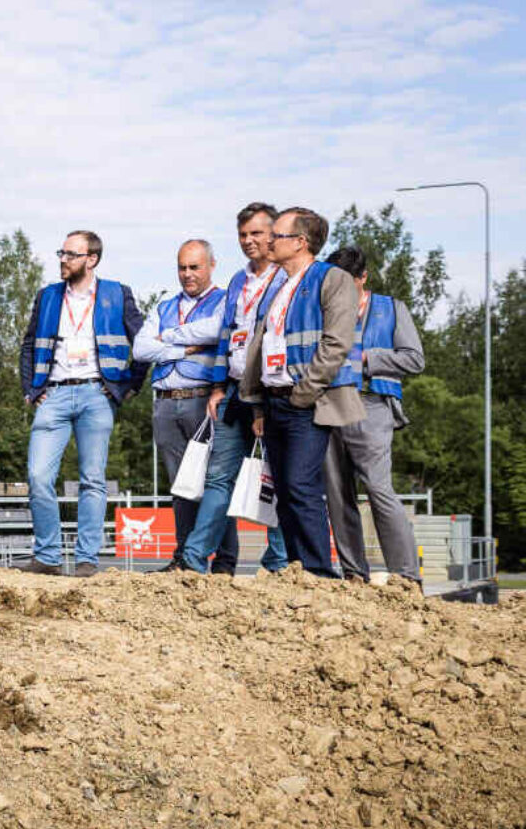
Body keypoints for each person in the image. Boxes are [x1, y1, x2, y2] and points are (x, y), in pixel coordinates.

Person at [238, 206, 363, 579]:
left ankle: (319, 574)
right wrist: (259, 401)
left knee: (300, 486)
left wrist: (304, 392)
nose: (268, 241)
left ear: (300, 242)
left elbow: (336, 342)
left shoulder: (332, 279)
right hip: (275, 400)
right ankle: (298, 571)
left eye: (276, 235)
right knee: (286, 492)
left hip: (304, 400)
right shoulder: (278, 284)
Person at [20, 231, 146, 577]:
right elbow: (29, 344)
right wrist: (31, 389)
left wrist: (129, 386)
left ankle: (87, 558)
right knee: (38, 475)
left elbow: (145, 342)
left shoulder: (116, 294)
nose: (63, 259)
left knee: (93, 479)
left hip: (97, 393)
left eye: (71, 254)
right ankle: (47, 555)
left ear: (91, 259)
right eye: (61, 252)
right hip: (54, 393)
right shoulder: (47, 296)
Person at [175, 202, 290, 575]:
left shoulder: (286, 277)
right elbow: (228, 333)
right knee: (217, 478)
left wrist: (260, 406)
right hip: (234, 392)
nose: (248, 240)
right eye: (243, 234)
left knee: (275, 478)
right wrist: (217, 387)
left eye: (256, 233)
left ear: (274, 234)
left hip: (270, 394)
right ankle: (193, 560)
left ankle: (278, 564)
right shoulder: (240, 280)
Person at [322, 245, 425, 584]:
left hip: (372, 404)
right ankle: (353, 573)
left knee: (379, 489)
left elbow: (414, 359)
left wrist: (368, 358)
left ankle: (406, 577)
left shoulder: (391, 309)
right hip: (327, 405)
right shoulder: (321, 311)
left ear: (362, 278)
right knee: (338, 495)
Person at [132, 239, 226, 569]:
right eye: (182, 268)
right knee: (180, 487)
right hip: (166, 404)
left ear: (211, 265)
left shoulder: (223, 301)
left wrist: (168, 337)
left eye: (194, 267)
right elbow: (141, 350)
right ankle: (184, 558)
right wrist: (184, 348)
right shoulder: (164, 306)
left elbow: (216, 331)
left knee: (214, 483)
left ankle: (224, 562)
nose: (187, 274)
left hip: (203, 400)